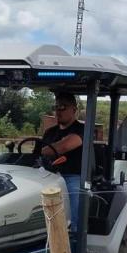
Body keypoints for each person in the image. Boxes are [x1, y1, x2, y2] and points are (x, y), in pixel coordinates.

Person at [40, 91, 86, 237]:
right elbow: (38, 152)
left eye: (63, 107)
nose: (58, 111)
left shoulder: (82, 130)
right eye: (56, 107)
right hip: (48, 174)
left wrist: (46, 150)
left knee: (75, 196)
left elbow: (65, 146)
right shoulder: (50, 132)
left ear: (74, 109)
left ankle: (75, 234)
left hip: (72, 175)